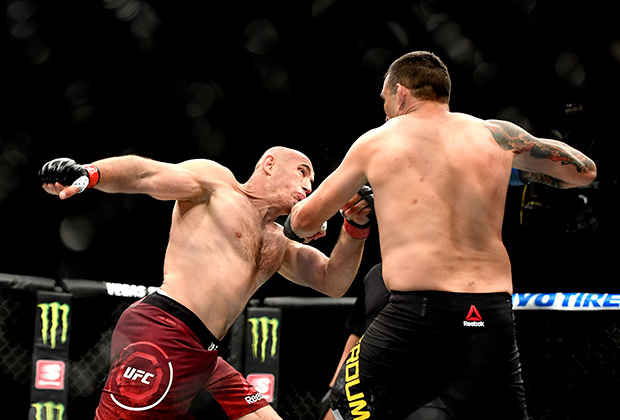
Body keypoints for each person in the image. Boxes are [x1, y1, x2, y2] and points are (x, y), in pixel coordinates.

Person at [286, 51, 597, 419]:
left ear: (400, 93)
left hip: (417, 313)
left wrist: (295, 222)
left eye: (385, 100)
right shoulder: (495, 135)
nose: (385, 111)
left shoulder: (379, 140)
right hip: (492, 313)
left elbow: (304, 222)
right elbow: (583, 171)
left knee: (341, 408)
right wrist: (513, 171)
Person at [39, 146, 374, 420]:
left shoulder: (279, 243)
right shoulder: (217, 186)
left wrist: (355, 227)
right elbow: (146, 174)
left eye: (312, 180)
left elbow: (333, 281)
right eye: (302, 172)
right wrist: (91, 173)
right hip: (164, 329)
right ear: (269, 164)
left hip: (206, 354)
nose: (309, 186)